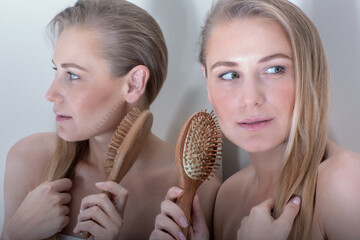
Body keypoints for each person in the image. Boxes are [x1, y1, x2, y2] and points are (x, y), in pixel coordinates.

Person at [1, 0, 221, 239]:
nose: (50, 94)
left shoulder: (192, 191)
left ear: (134, 84)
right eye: (57, 71)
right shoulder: (30, 161)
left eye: (73, 75)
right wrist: (16, 233)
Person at [151, 0, 360, 239]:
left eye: (274, 70)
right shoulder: (228, 196)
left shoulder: (346, 183)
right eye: (229, 74)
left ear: (309, 73)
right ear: (207, 81)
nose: (250, 99)